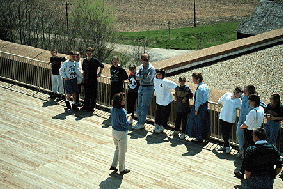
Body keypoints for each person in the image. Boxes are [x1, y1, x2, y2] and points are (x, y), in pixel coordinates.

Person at [236, 85, 266, 158]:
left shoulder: (255, 100)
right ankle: (241, 151)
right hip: (241, 121)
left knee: (248, 142)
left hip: (249, 124)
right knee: (239, 135)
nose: (244, 92)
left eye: (246, 90)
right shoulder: (243, 96)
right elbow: (238, 94)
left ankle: (245, 154)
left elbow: (263, 106)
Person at [132, 54, 155, 130]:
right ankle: (139, 121)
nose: (146, 61)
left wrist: (142, 77)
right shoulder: (140, 67)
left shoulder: (151, 68)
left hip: (148, 88)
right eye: (145, 59)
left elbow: (149, 79)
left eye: (147, 59)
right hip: (141, 87)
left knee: (144, 106)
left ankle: (141, 123)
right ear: (141, 60)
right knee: (139, 106)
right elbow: (137, 77)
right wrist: (143, 76)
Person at [217, 87, 243, 154]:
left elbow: (241, 107)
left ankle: (226, 146)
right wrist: (219, 103)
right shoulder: (227, 94)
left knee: (227, 133)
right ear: (236, 92)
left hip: (230, 119)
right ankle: (226, 146)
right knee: (223, 132)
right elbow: (220, 100)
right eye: (239, 94)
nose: (240, 96)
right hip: (223, 116)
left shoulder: (239, 100)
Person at [109, 92, 130, 175]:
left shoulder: (112, 109)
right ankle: (122, 169)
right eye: (123, 100)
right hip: (121, 133)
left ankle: (114, 165)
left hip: (114, 131)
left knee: (118, 148)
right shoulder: (122, 111)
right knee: (122, 152)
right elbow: (124, 124)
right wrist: (129, 119)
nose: (124, 101)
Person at [186, 72, 210, 143]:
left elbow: (198, 101)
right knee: (204, 122)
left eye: (194, 79)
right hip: (205, 106)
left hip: (200, 107)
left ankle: (198, 138)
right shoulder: (205, 86)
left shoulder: (199, 89)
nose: (193, 81)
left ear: (198, 79)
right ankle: (204, 136)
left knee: (197, 123)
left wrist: (196, 110)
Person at [153, 69, 177, 133]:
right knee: (158, 114)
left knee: (164, 115)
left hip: (166, 102)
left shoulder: (166, 81)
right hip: (158, 101)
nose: (158, 75)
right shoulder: (155, 80)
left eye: (160, 74)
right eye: (157, 74)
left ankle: (162, 126)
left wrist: (176, 95)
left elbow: (175, 86)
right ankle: (157, 125)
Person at [80, 47, 104, 112]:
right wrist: (83, 78)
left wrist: (99, 73)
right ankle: (86, 105)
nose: (88, 54)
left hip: (93, 80)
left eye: (90, 53)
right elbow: (83, 70)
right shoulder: (85, 60)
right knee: (86, 93)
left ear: (92, 53)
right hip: (86, 79)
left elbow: (102, 65)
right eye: (87, 53)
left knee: (93, 94)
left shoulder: (95, 60)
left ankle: (92, 107)